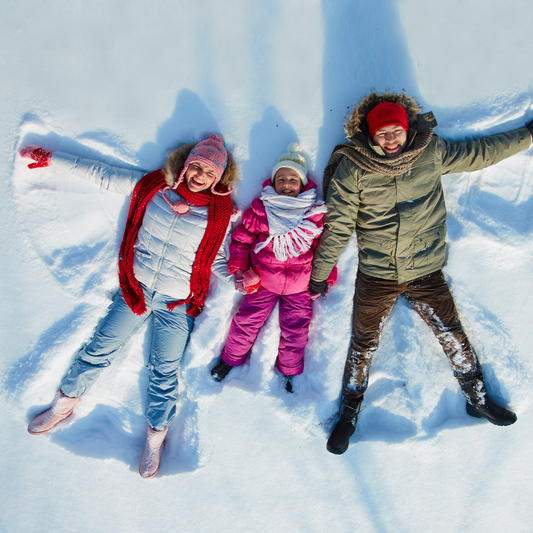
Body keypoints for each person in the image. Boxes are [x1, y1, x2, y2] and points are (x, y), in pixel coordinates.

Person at [309, 91, 533, 454]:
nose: (391, 139)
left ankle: (476, 398)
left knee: (451, 332)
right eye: (383, 133)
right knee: (363, 343)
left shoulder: (430, 151)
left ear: (407, 129)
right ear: (370, 134)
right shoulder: (354, 167)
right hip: (377, 274)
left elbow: (481, 152)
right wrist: (320, 273)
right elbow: (339, 226)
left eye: (396, 130)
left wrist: (528, 135)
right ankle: (349, 416)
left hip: (425, 268)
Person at [21, 134, 238, 477]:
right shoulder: (153, 186)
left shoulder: (218, 216)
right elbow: (103, 174)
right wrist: (53, 159)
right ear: (185, 165)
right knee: (99, 348)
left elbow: (219, 259)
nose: (199, 175)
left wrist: (240, 279)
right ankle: (64, 404)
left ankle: (155, 438)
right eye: (195, 166)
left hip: (175, 302)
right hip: (135, 288)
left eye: (208, 172)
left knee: (164, 372)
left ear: (218, 178)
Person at [210, 143, 336, 392]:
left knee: (296, 330)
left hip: (300, 286)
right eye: (281, 179)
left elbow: (323, 248)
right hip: (262, 281)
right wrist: (239, 268)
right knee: (246, 322)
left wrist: (326, 277)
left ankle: (289, 371)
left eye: (292, 179)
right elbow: (243, 238)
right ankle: (230, 359)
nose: (287, 184)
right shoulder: (261, 209)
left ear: (302, 183)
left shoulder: (312, 214)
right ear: (274, 182)